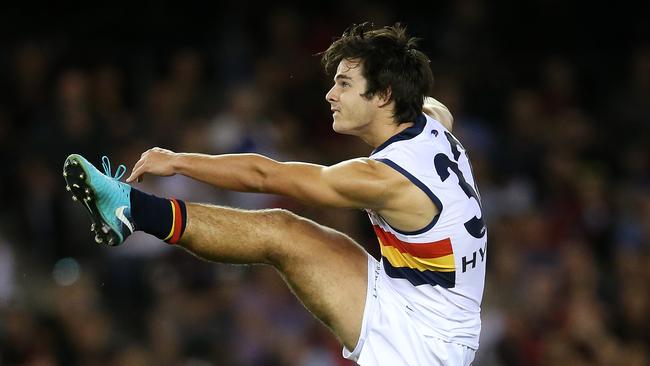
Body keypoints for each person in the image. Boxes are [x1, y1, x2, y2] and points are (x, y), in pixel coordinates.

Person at [63, 23, 486, 365]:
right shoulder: (430, 121)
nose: (330, 94)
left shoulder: (384, 178)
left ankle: (132, 209)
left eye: (344, 83)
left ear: (384, 95)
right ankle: (129, 209)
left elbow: (266, 175)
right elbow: (434, 105)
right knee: (283, 228)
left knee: (278, 234)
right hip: (417, 299)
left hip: (424, 346)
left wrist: (178, 161)